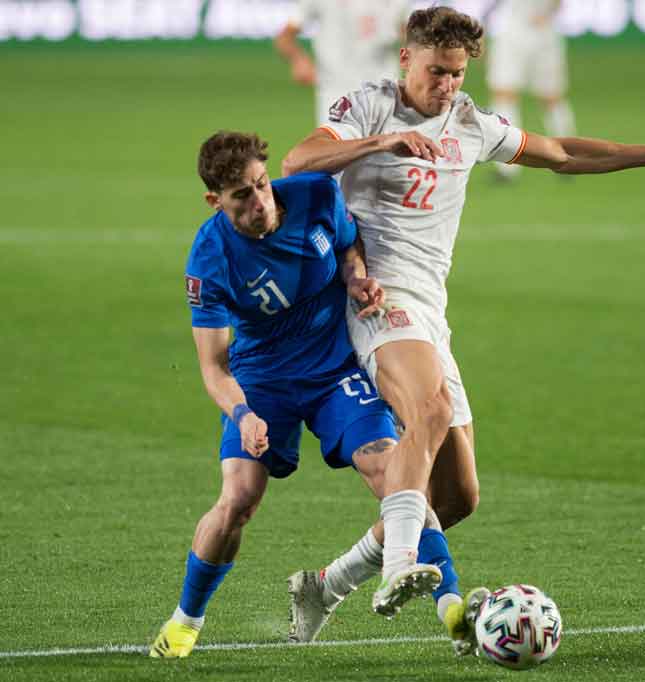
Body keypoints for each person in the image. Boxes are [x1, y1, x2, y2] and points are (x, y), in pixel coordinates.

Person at [280, 5, 645, 633]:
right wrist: (382, 141)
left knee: (456, 498)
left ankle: (327, 584)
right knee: (425, 412)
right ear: (407, 59)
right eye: (436, 71)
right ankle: (402, 563)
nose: (447, 85)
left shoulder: (470, 124)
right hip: (374, 296)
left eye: (457, 74)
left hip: (430, 309)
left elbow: (561, 152)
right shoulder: (370, 105)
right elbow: (297, 161)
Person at [149, 131, 475, 658]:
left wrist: (356, 277)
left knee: (394, 473)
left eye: (261, 185)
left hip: (333, 372)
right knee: (238, 500)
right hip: (262, 383)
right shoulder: (209, 259)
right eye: (242, 196)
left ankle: (454, 609)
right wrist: (244, 413)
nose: (261, 204)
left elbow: (348, 244)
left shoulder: (315, 195)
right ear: (215, 201)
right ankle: (186, 620)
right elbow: (213, 366)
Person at [274, 0, 411, 124]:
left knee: (384, 149)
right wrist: (299, 60)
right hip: (336, 93)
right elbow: (286, 35)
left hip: (382, 92)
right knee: (338, 148)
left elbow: (410, 35)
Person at [484, 0, 575, 181]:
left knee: (508, 96)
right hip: (532, 31)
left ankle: (507, 167)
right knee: (546, 98)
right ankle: (566, 160)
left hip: (521, 31)